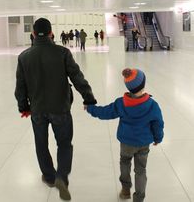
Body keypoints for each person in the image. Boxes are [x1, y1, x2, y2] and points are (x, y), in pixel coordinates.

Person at [15, 18, 97, 201]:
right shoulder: (62, 52)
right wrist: (88, 98)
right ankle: (62, 176)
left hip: (37, 110)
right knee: (65, 144)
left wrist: (23, 106)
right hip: (60, 108)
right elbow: (77, 77)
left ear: (33, 34)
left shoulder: (24, 57)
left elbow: (20, 86)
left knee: (41, 144)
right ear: (52, 33)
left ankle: (50, 177)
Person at [85, 68, 164, 202]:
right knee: (141, 170)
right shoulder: (152, 105)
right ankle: (139, 198)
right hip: (143, 144)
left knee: (125, 162)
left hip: (126, 143)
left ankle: (126, 190)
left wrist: (90, 108)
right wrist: (158, 138)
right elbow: (158, 124)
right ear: (143, 84)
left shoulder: (121, 103)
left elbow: (105, 112)